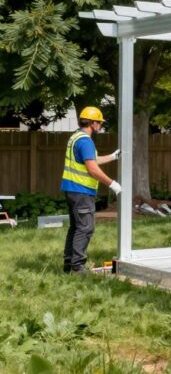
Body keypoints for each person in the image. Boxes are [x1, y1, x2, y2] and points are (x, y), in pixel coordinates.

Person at [61, 106, 122, 274]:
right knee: (86, 228)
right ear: (93, 123)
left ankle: (69, 263)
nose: (101, 126)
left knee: (75, 227)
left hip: (71, 189)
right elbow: (92, 169)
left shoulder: (75, 137)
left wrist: (112, 157)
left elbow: (91, 160)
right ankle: (78, 266)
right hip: (81, 191)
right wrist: (112, 184)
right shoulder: (86, 141)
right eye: (99, 123)